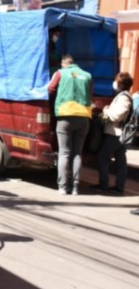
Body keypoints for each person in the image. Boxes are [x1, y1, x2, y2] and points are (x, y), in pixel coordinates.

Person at [48, 54, 92, 195]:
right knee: (77, 153)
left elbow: (50, 88)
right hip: (83, 117)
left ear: (63, 63)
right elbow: (90, 93)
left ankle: (62, 187)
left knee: (64, 153)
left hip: (65, 116)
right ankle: (75, 188)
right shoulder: (87, 75)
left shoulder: (60, 73)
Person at [90, 72, 134, 195]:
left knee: (102, 156)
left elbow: (116, 116)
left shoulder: (124, 98)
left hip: (116, 133)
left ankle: (104, 184)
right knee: (120, 160)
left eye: (116, 81)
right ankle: (118, 187)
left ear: (120, 84)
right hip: (119, 133)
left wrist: (105, 110)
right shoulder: (123, 96)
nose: (114, 83)